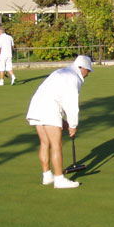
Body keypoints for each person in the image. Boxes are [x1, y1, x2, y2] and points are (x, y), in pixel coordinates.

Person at [26, 55, 93, 189]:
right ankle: (59, 179)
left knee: (45, 143)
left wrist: (64, 122)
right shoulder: (73, 78)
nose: (88, 74)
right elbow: (71, 105)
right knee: (57, 144)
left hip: (36, 106)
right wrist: (73, 126)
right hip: (49, 108)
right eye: (88, 70)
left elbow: (53, 95)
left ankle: (47, 176)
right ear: (82, 68)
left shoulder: (61, 72)